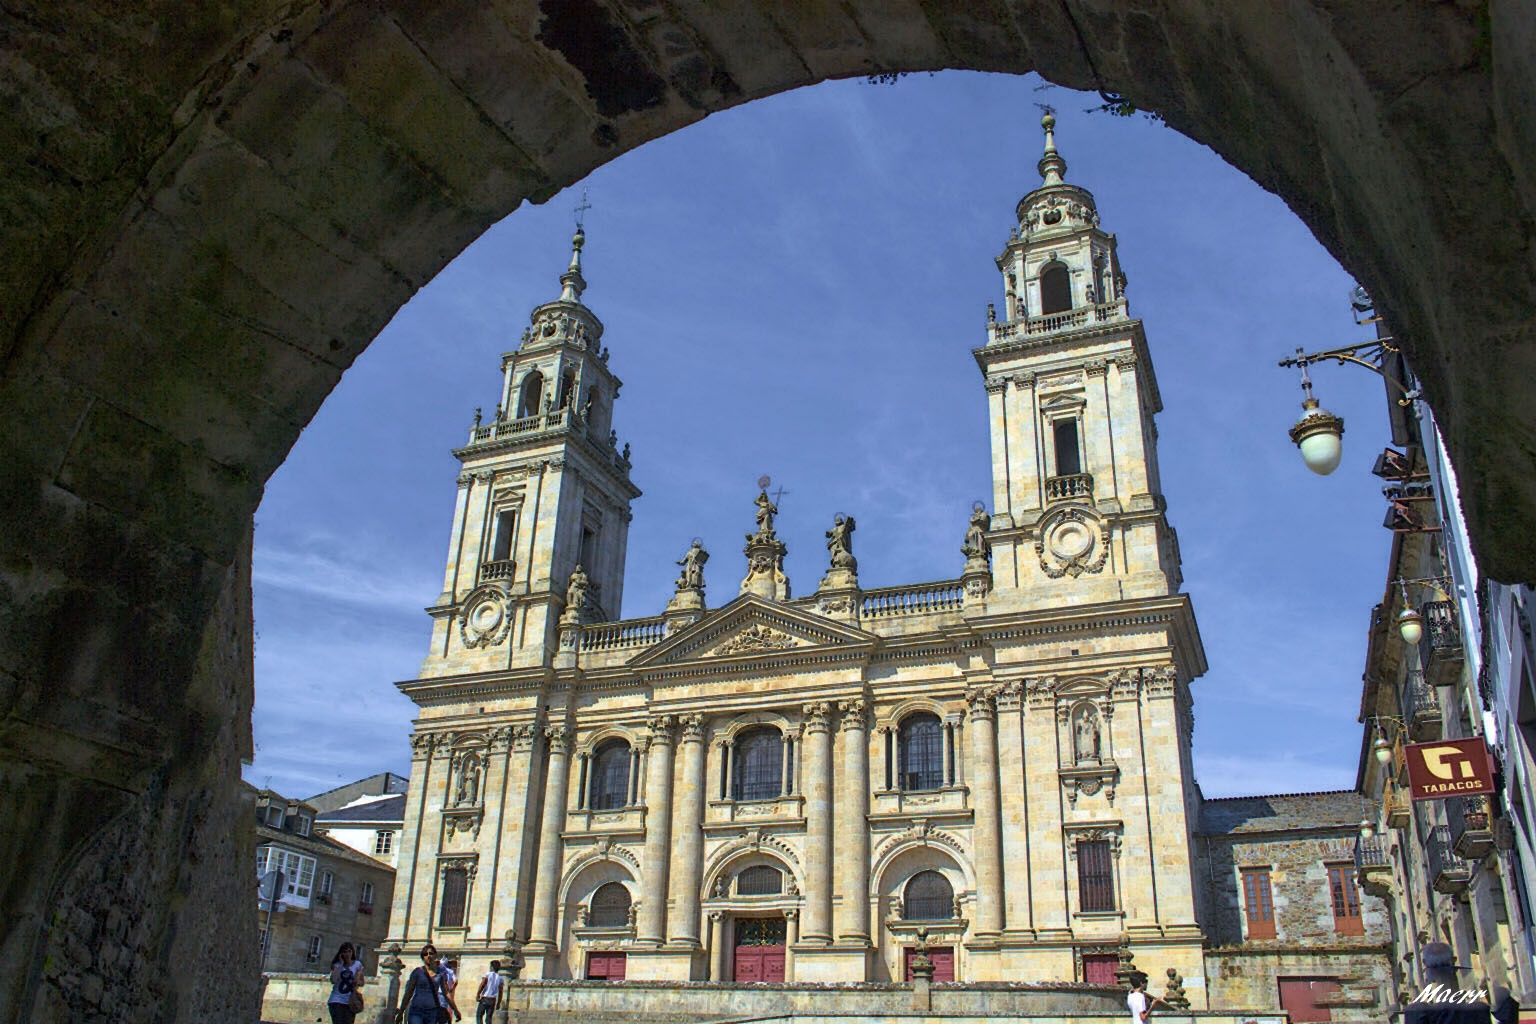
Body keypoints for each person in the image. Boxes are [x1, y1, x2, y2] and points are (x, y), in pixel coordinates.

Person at [396, 945, 451, 1024]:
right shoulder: (417, 972)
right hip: (417, 1010)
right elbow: (409, 992)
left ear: (435, 955)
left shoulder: (440, 974)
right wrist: (401, 1011)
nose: (428, 956)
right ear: (423, 957)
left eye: (431, 953)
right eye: (425, 954)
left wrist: (455, 1010)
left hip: (432, 1012)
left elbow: (446, 993)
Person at [327, 942, 364, 1024]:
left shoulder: (357, 965)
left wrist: (358, 977)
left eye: (349, 951)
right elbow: (333, 980)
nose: (347, 954)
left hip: (350, 1002)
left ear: (352, 952)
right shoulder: (337, 965)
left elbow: (361, 982)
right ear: (341, 953)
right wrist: (341, 964)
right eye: (345, 952)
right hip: (336, 1001)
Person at [441, 957, 463, 1022]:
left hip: (437, 993)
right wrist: (452, 988)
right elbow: (456, 981)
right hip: (445, 993)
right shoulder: (450, 971)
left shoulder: (437, 970)